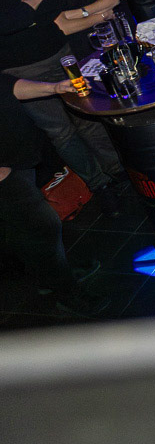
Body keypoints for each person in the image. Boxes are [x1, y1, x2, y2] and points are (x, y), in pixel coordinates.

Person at [0, 0, 124, 212]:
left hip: (60, 50)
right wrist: (29, 8)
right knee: (61, 132)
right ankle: (99, 185)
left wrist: (27, 13)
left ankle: (117, 169)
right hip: (20, 70)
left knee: (87, 115)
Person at [0, 72, 110, 317]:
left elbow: (7, 86)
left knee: (23, 228)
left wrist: (54, 88)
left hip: (16, 160)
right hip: (3, 173)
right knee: (43, 227)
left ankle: (49, 278)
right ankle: (67, 294)